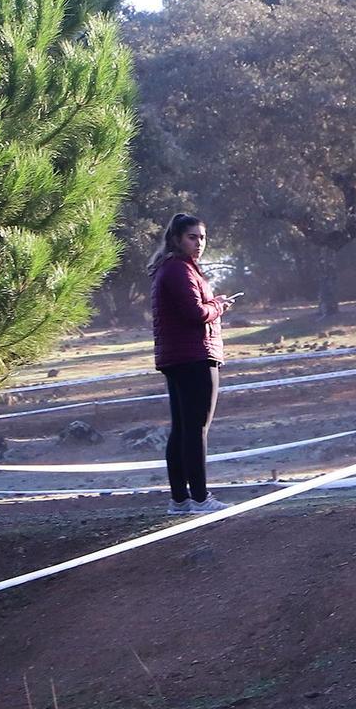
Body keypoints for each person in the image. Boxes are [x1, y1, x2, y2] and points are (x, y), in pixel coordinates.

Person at [149, 213, 237, 514]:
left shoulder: (178, 269)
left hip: (180, 356)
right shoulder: (178, 270)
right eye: (192, 237)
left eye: (202, 237)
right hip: (193, 356)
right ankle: (200, 498)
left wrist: (212, 305)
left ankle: (180, 499)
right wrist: (219, 306)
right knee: (196, 428)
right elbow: (196, 313)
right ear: (176, 238)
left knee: (183, 429)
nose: (199, 243)